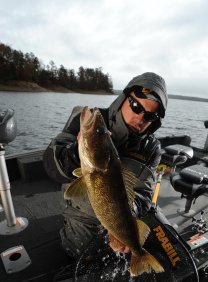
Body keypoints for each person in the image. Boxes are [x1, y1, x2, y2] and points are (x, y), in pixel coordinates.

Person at [43, 72, 168, 259]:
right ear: (123, 98)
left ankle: (137, 255)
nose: (141, 118)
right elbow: (52, 165)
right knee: (80, 253)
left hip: (122, 220)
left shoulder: (151, 148)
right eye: (136, 106)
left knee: (162, 246)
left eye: (150, 116)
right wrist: (76, 152)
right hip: (82, 221)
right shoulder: (92, 121)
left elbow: (144, 194)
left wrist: (127, 218)